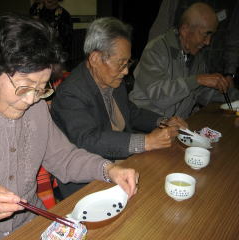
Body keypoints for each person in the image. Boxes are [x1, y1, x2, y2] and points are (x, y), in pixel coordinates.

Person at [0, 15, 138, 239]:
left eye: (42, 88)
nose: (31, 99)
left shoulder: (36, 108)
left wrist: (107, 169)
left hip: (32, 228)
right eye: (24, 88)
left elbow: (65, 158)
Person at [51, 17, 187, 198]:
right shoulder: (71, 93)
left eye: (127, 63)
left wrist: (162, 121)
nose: (126, 71)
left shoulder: (111, 78)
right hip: (89, 179)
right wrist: (146, 142)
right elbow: (88, 139)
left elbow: (130, 111)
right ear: (95, 58)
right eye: (121, 63)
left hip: (123, 163)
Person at [129, 3, 239, 119]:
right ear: (185, 30)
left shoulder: (197, 58)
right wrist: (197, 80)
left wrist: (233, 95)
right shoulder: (156, 49)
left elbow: (202, 93)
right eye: (206, 34)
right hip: (145, 128)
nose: (208, 42)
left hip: (175, 128)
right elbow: (159, 98)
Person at [148, 0, 239, 86]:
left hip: (214, 71)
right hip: (176, 68)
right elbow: (159, 31)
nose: (208, 42)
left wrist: (230, 73)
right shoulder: (157, 50)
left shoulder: (233, 3)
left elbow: (234, 39)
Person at [30, 0, 73, 68]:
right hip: (35, 51)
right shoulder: (36, 8)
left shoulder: (64, 15)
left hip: (53, 55)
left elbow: (67, 42)